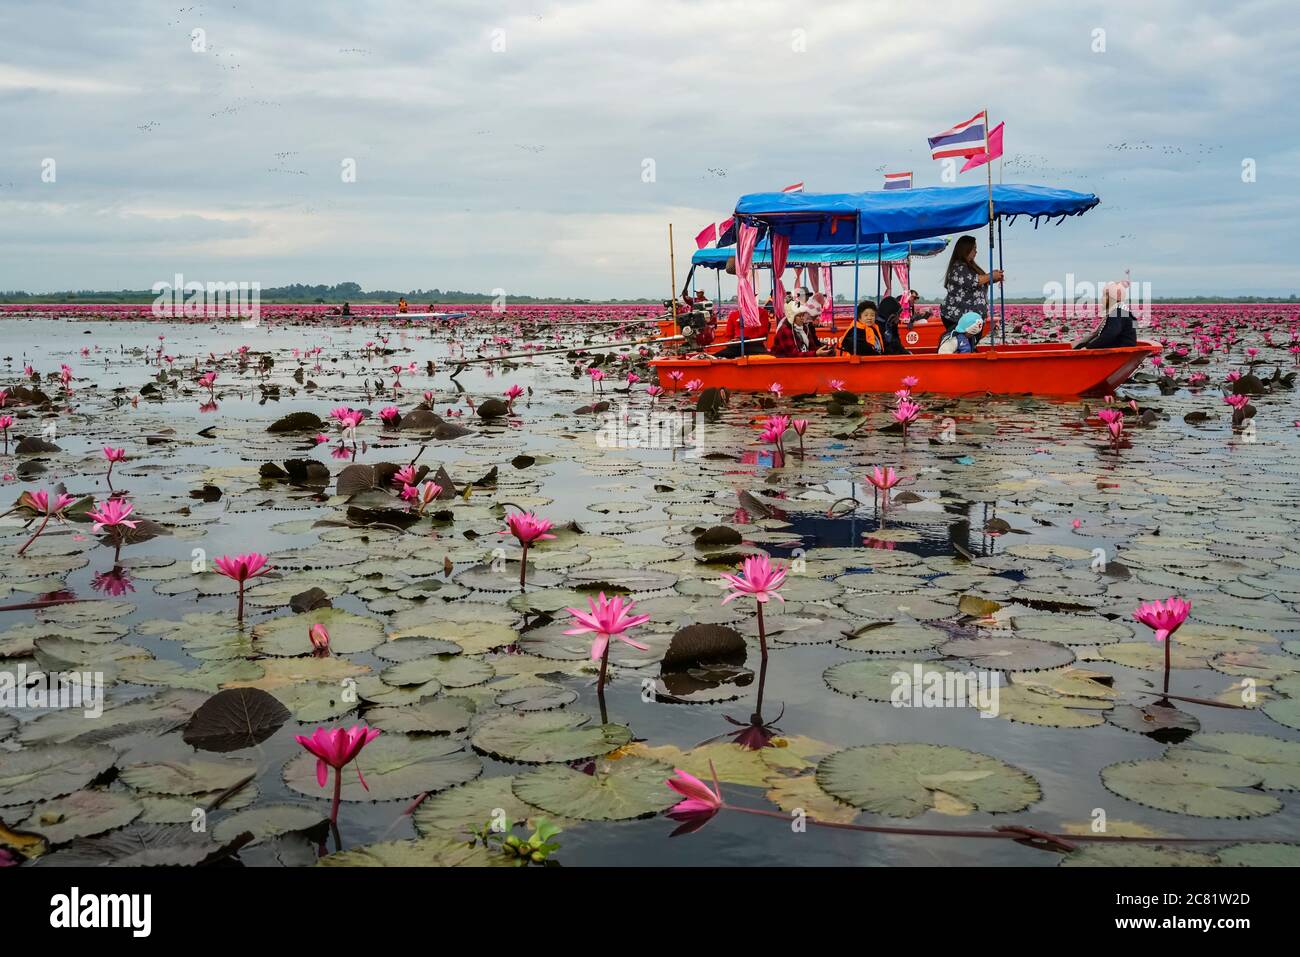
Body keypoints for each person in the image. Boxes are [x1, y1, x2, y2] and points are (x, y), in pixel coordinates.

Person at [940, 236, 1002, 333]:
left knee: (966, 345)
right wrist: (991, 275)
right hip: (957, 317)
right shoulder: (959, 267)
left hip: (969, 318)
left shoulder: (970, 266)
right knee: (962, 344)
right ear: (966, 250)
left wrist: (993, 278)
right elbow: (973, 281)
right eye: (974, 249)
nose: (976, 252)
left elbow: (979, 282)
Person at [1075, 281, 1138, 349]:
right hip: (1122, 344)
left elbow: (1110, 334)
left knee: (1082, 346)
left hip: (1121, 347)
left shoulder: (1117, 313)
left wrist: (1089, 347)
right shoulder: (1124, 311)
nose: (1102, 299)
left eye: (1105, 296)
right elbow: (1134, 324)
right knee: (1081, 345)